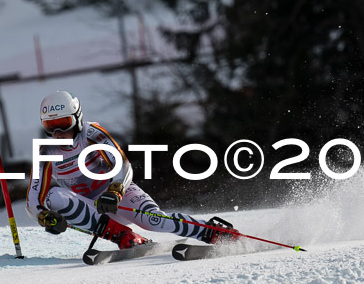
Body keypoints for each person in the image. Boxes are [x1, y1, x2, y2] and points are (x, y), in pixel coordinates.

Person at [25, 90, 237, 249]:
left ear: (77, 118)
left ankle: (215, 233)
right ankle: (122, 236)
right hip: (94, 211)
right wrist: (44, 217)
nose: (58, 132)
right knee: (54, 197)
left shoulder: (92, 134)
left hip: (118, 197)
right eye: (51, 126)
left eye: (64, 123)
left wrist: (115, 191)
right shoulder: (44, 151)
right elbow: (34, 199)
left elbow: (123, 164)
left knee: (154, 221)